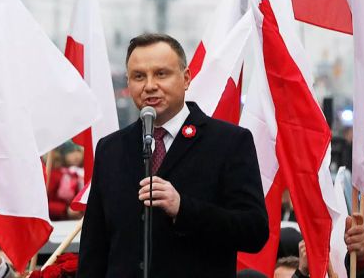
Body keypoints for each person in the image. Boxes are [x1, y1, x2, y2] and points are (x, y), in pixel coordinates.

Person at [78, 33, 268, 277]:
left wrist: (183, 209)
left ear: (186, 78)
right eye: (138, 76)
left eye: (161, 74)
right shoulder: (110, 149)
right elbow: (94, 248)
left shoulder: (228, 143)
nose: (149, 86)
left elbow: (254, 231)